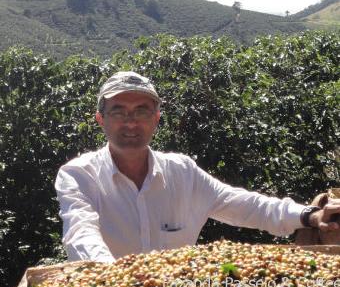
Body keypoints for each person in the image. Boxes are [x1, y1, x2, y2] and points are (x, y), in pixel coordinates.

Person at [55, 71, 340, 263]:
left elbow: (246, 205)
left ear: (156, 119)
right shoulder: (79, 175)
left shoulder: (183, 173)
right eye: (118, 111)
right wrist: (115, 280)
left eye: (142, 111)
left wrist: (309, 216)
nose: (131, 122)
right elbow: (81, 232)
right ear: (100, 119)